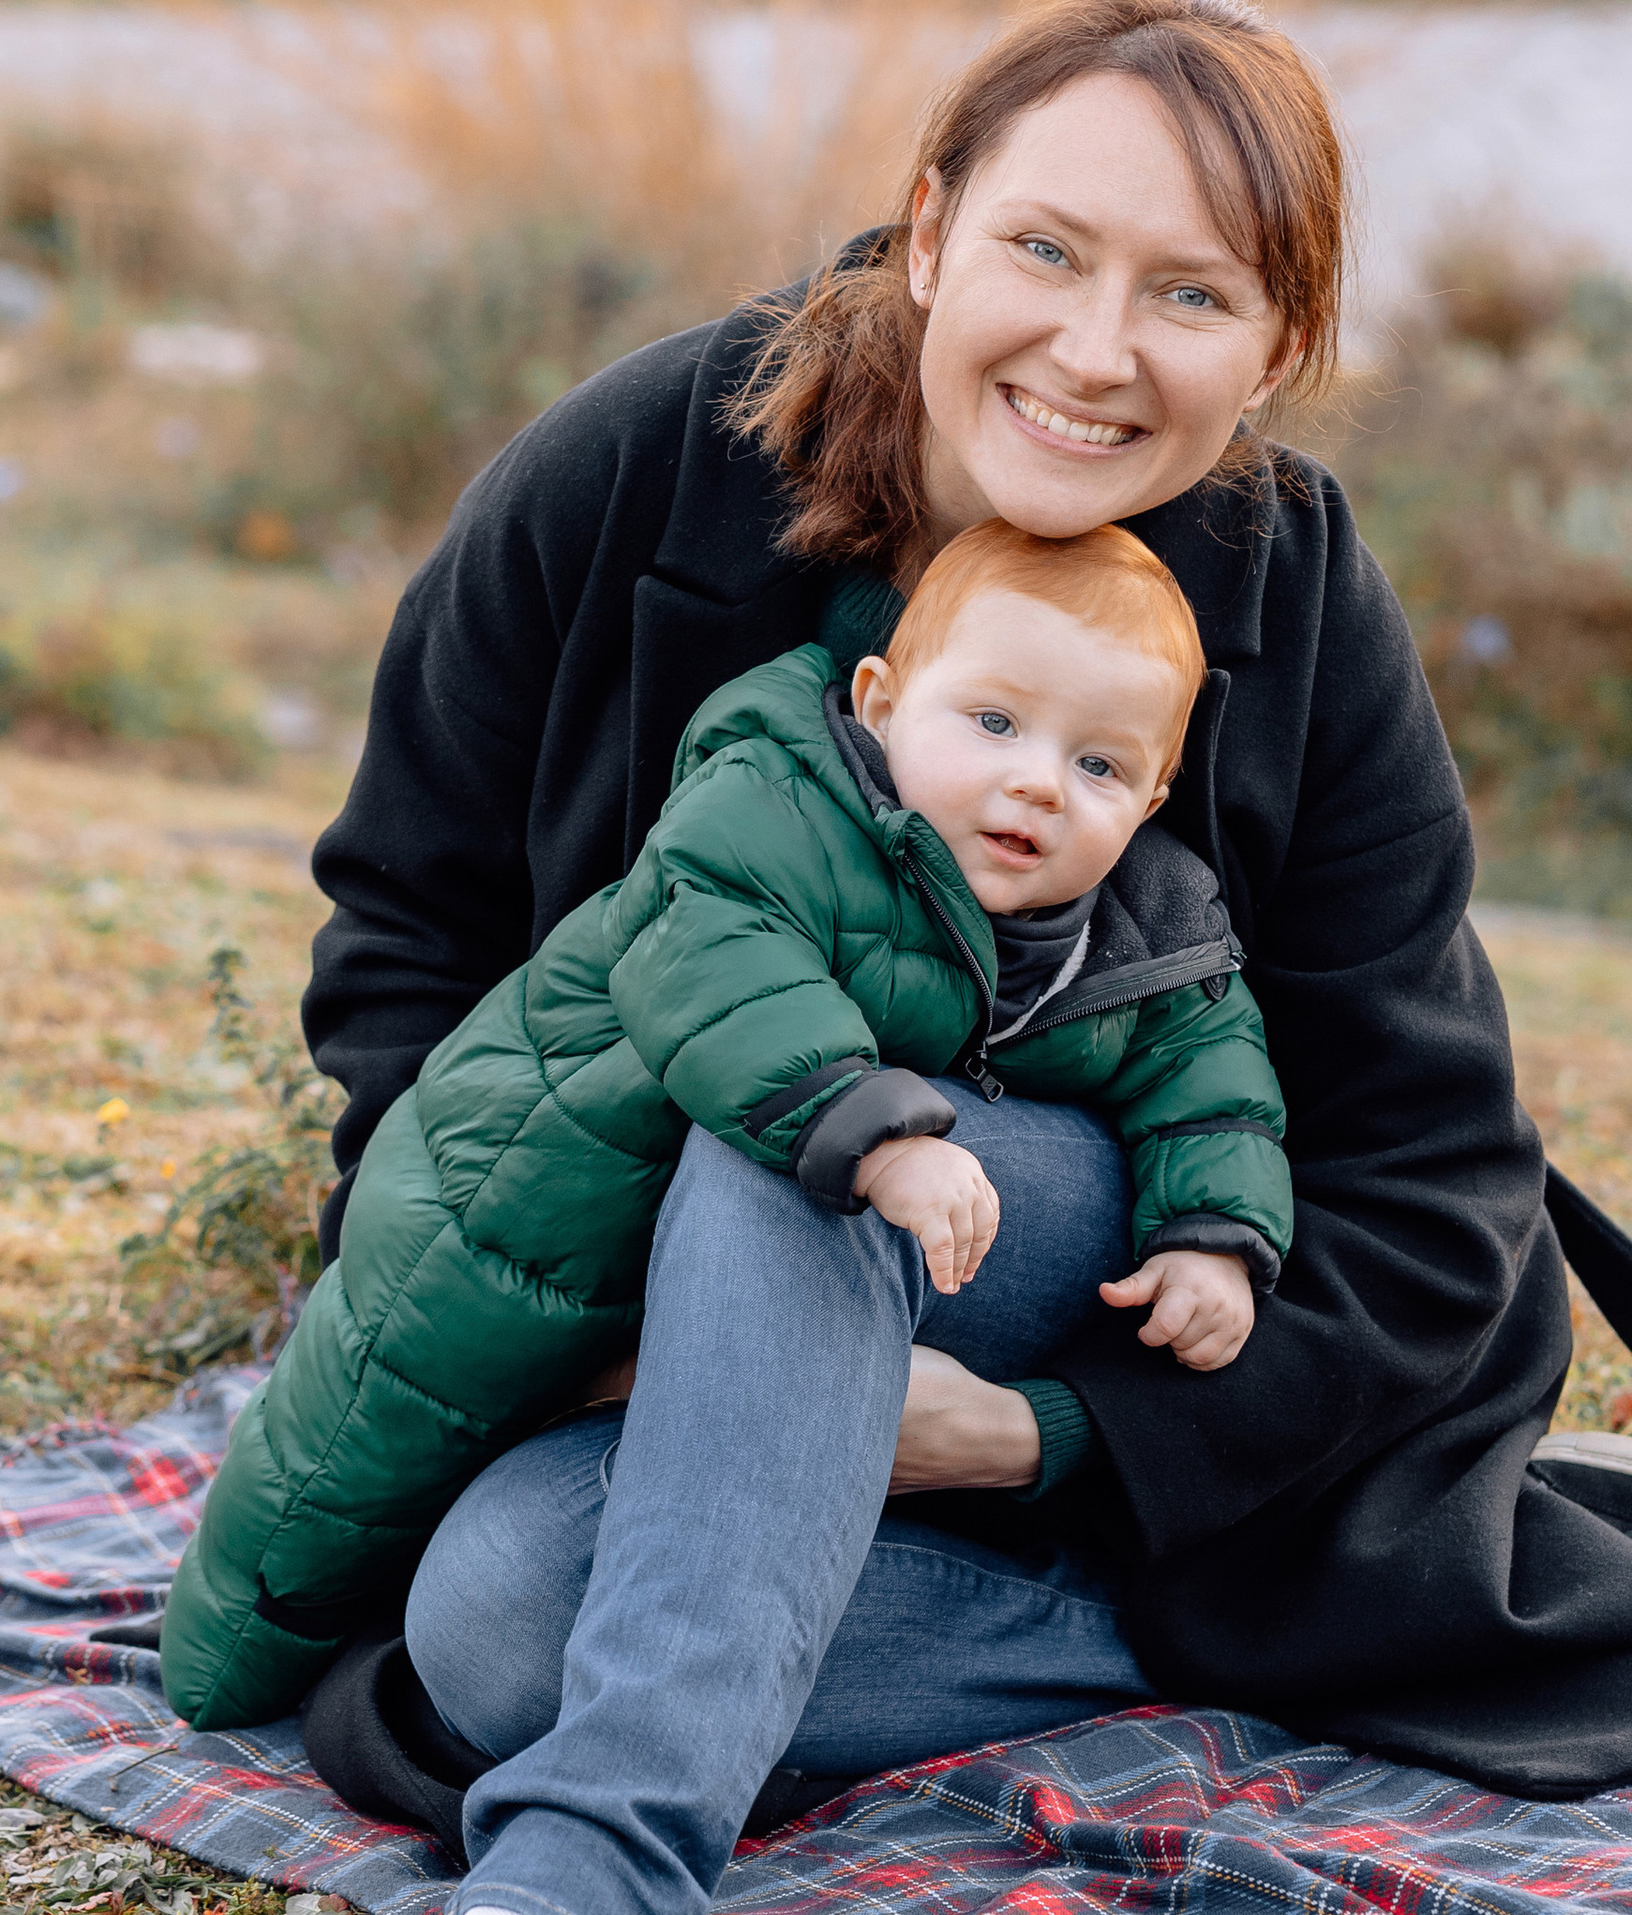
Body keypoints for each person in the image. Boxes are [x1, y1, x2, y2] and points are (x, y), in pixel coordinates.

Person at [168, 0, 1632, 1915]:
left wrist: (1045, 1426)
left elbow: (1422, 1196)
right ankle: (1121, 1627)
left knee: (807, 1132)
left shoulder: (1290, 608)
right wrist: (531, 1303)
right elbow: (402, 947)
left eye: (1191, 293)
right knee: (487, 1617)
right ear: (927, 224)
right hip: (660, 1314)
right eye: (1049, 252)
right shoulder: (637, 473)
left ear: (1271, 349)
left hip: (1087, 1284)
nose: (1097, 349)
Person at [160, 515, 1291, 1738]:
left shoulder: (1133, 930)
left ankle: (1161, 1632)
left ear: (1153, 799)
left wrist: (1214, 1233)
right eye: (995, 724)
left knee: (500, 1536)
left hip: (902, 1294)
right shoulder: (774, 806)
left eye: (1100, 768)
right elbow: (717, 962)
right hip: (523, 1214)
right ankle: (236, 1654)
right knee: (370, 1449)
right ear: (880, 699)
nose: (1037, 782)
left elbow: (1209, 1072)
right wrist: (877, 1132)